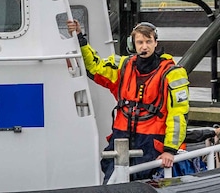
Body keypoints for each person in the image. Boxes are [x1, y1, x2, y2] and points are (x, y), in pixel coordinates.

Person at [69, 17, 190, 179]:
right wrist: (80, 38)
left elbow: (178, 115)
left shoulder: (173, 74)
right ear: (133, 44)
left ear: (155, 43)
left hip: (151, 142)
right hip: (121, 138)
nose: (144, 46)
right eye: (140, 42)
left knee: (145, 184)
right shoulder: (123, 66)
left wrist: (169, 150)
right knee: (112, 179)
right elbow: (95, 67)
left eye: (148, 41)